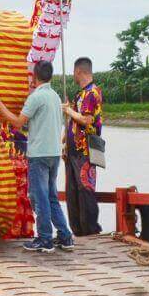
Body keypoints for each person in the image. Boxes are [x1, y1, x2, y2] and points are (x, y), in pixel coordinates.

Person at [0, 60, 73, 252]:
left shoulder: (36, 97)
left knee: (40, 197)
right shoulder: (55, 96)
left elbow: (18, 123)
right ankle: (65, 236)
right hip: (54, 153)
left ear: (34, 76)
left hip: (39, 154)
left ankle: (45, 239)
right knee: (51, 196)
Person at [61, 56, 104, 236]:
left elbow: (86, 120)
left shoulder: (92, 93)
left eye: (74, 72)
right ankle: (77, 230)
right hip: (73, 150)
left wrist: (68, 110)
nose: (73, 75)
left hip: (85, 150)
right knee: (72, 192)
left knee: (85, 188)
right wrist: (65, 139)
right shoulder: (80, 94)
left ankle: (90, 230)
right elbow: (74, 120)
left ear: (79, 71)